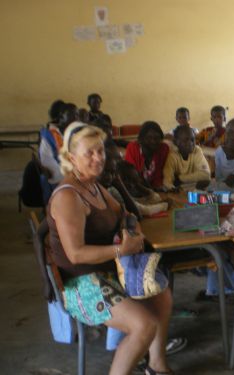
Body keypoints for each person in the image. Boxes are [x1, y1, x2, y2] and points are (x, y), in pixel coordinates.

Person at [47, 122, 174, 375]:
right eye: (89, 153)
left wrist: (132, 227)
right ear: (72, 158)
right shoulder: (68, 197)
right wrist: (121, 250)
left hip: (107, 271)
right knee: (143, 325)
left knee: (162, 296)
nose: (98, 158)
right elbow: (75, 254)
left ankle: (157, 366)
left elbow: (126, 214)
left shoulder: (95, 187)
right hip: (80, 283)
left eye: (100, 151)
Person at [39, 102, 78, 201]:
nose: (76, 118)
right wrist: (69, 178)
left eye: (77, 114)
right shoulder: (49, 136)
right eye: (72, 115)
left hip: (75, 175)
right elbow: (48, 161)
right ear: (61, 117)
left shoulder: (73, 133)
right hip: (60, 179)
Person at [163, 125, 211, 191]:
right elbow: (167, 181)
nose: (190, 143)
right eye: (185, 140)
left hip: (194, 187)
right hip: (180, 189)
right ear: (176, 142)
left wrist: (180, 178)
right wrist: (173, 189)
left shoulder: (197, 150)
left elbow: (206, 175)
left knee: (207, 183)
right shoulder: (172, 156)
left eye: (192, 139)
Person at [125, 121, 169, 191]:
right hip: (136, 190)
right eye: (149, 137)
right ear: (141, 139)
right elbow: (132, 177)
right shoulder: (132, 148)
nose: (153, 141)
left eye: (157, 138)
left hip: (157, 190)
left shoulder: (163, 149)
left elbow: (162, 173)